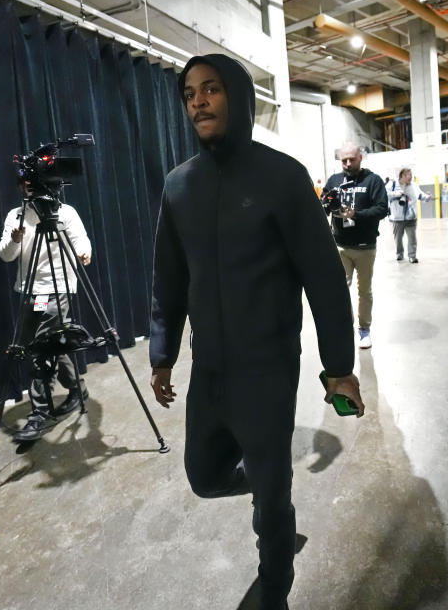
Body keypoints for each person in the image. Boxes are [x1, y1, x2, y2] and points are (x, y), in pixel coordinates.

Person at [149, 54, 365, 610]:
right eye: (190, 93)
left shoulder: (282, 178)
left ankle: (275, 586)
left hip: (268, 371)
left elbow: (324, 281)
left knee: (271, 497)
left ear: (239, 99)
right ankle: (271, 491)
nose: (198, 100)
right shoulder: (179, 186)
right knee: (202, 476)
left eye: (212, 89)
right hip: (211, 370)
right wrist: (163, 350)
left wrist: (339, 368)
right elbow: (168, 278)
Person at [0, 179, 93, 442]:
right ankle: (76, 388)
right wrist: (14, 240)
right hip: (32, 290)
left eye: (32, 182)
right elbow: (6, 255)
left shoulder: (65, 212)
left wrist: (84, 253)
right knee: (50, 344)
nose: (28, 187)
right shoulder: (15, 216)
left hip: (59, 286)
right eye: (23, 183)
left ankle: (39, 413)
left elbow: (81, 241)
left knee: (42, 346)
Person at [322, 143, 388, 349]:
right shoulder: (334, 180)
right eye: (344, 160)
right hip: (340, 246)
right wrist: (325, 202)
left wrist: (356, 215)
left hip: (365, 247)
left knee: (364, 291)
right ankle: (344, 326)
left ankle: (364, 329)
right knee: (340, 290)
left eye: (352, 159)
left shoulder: (373, 181)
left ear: (361, 157)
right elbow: (323, 204)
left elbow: (382, 209)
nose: (348, 164)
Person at [387, 167, 430, 263]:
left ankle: (412, 256)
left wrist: (426, 197)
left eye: (411, 174)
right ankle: (399, 254)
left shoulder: (414, 185)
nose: (410, 177)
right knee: (398, 239)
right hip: (397, 218)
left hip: (411, 217)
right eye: (408, 175)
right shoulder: (392, 184)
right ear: (402, 176)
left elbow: (420, 195)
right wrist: (395, 194)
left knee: (412, 238)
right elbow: (384, 194)